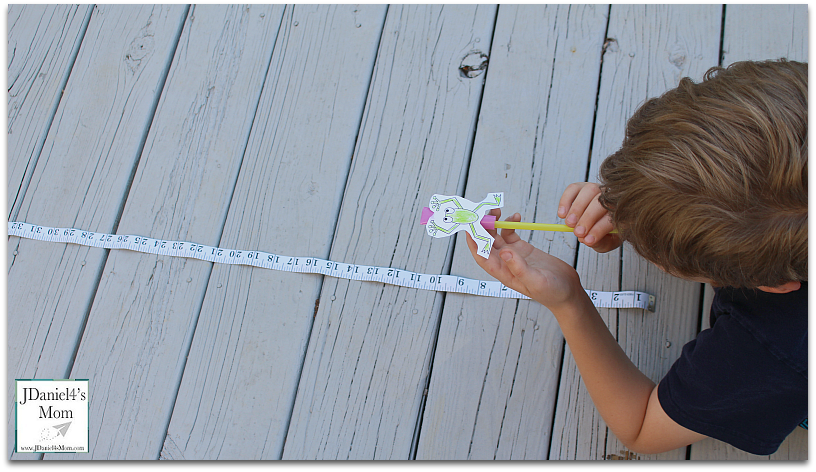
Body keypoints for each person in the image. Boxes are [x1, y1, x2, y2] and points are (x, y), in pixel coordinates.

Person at [466, 59, 807, 456]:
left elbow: (642, 427)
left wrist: (570, 300)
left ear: (772, 284)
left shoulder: (769, 354)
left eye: (652, 251)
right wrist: (646, 206)